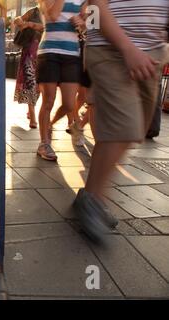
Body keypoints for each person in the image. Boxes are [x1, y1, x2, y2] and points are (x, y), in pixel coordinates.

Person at [74, 0, 169, 242]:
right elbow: (96, 4)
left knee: (135, 129)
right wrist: (127, 49)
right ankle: (94, 201)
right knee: (123, 128)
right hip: (110, 48)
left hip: (153, 51)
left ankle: (88, 196)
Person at [36, 0, 86, 161]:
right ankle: (44, 143)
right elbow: (53, 15)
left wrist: (83, 22)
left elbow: (91, 25)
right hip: (49, 52)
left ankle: (49, 124)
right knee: (48, 101)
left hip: (72, 55)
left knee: (70, 104)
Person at [13, 6, 43, 129]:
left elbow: (45, 27)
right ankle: (33, 114)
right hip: (30, 51)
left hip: (45, 51)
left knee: (41, 85)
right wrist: (20, 22)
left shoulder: (56, 11)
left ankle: (31, 108)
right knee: (30, 82)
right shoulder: (35, 11)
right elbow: (17, 20)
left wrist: (30, 24)